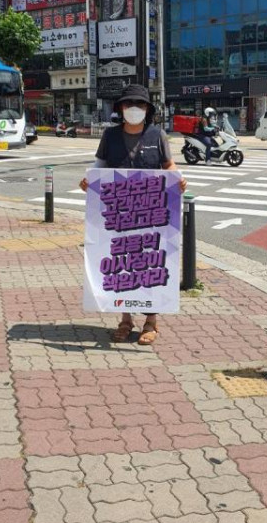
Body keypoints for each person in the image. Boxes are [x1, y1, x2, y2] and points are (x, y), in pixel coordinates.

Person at [80, 84, 187, 346]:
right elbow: (101, 165)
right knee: (122, 261)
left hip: (152, 212)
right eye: (129, 105)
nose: (134, 110)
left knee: (150, 262)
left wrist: (178, 178)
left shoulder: (157, 135)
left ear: (148, 109)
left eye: (139, 105)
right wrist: (89, 180)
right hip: (119, 211)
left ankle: (151, 322)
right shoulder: (110, 136)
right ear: (121, 108)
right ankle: (125, 320)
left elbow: (168, 165)